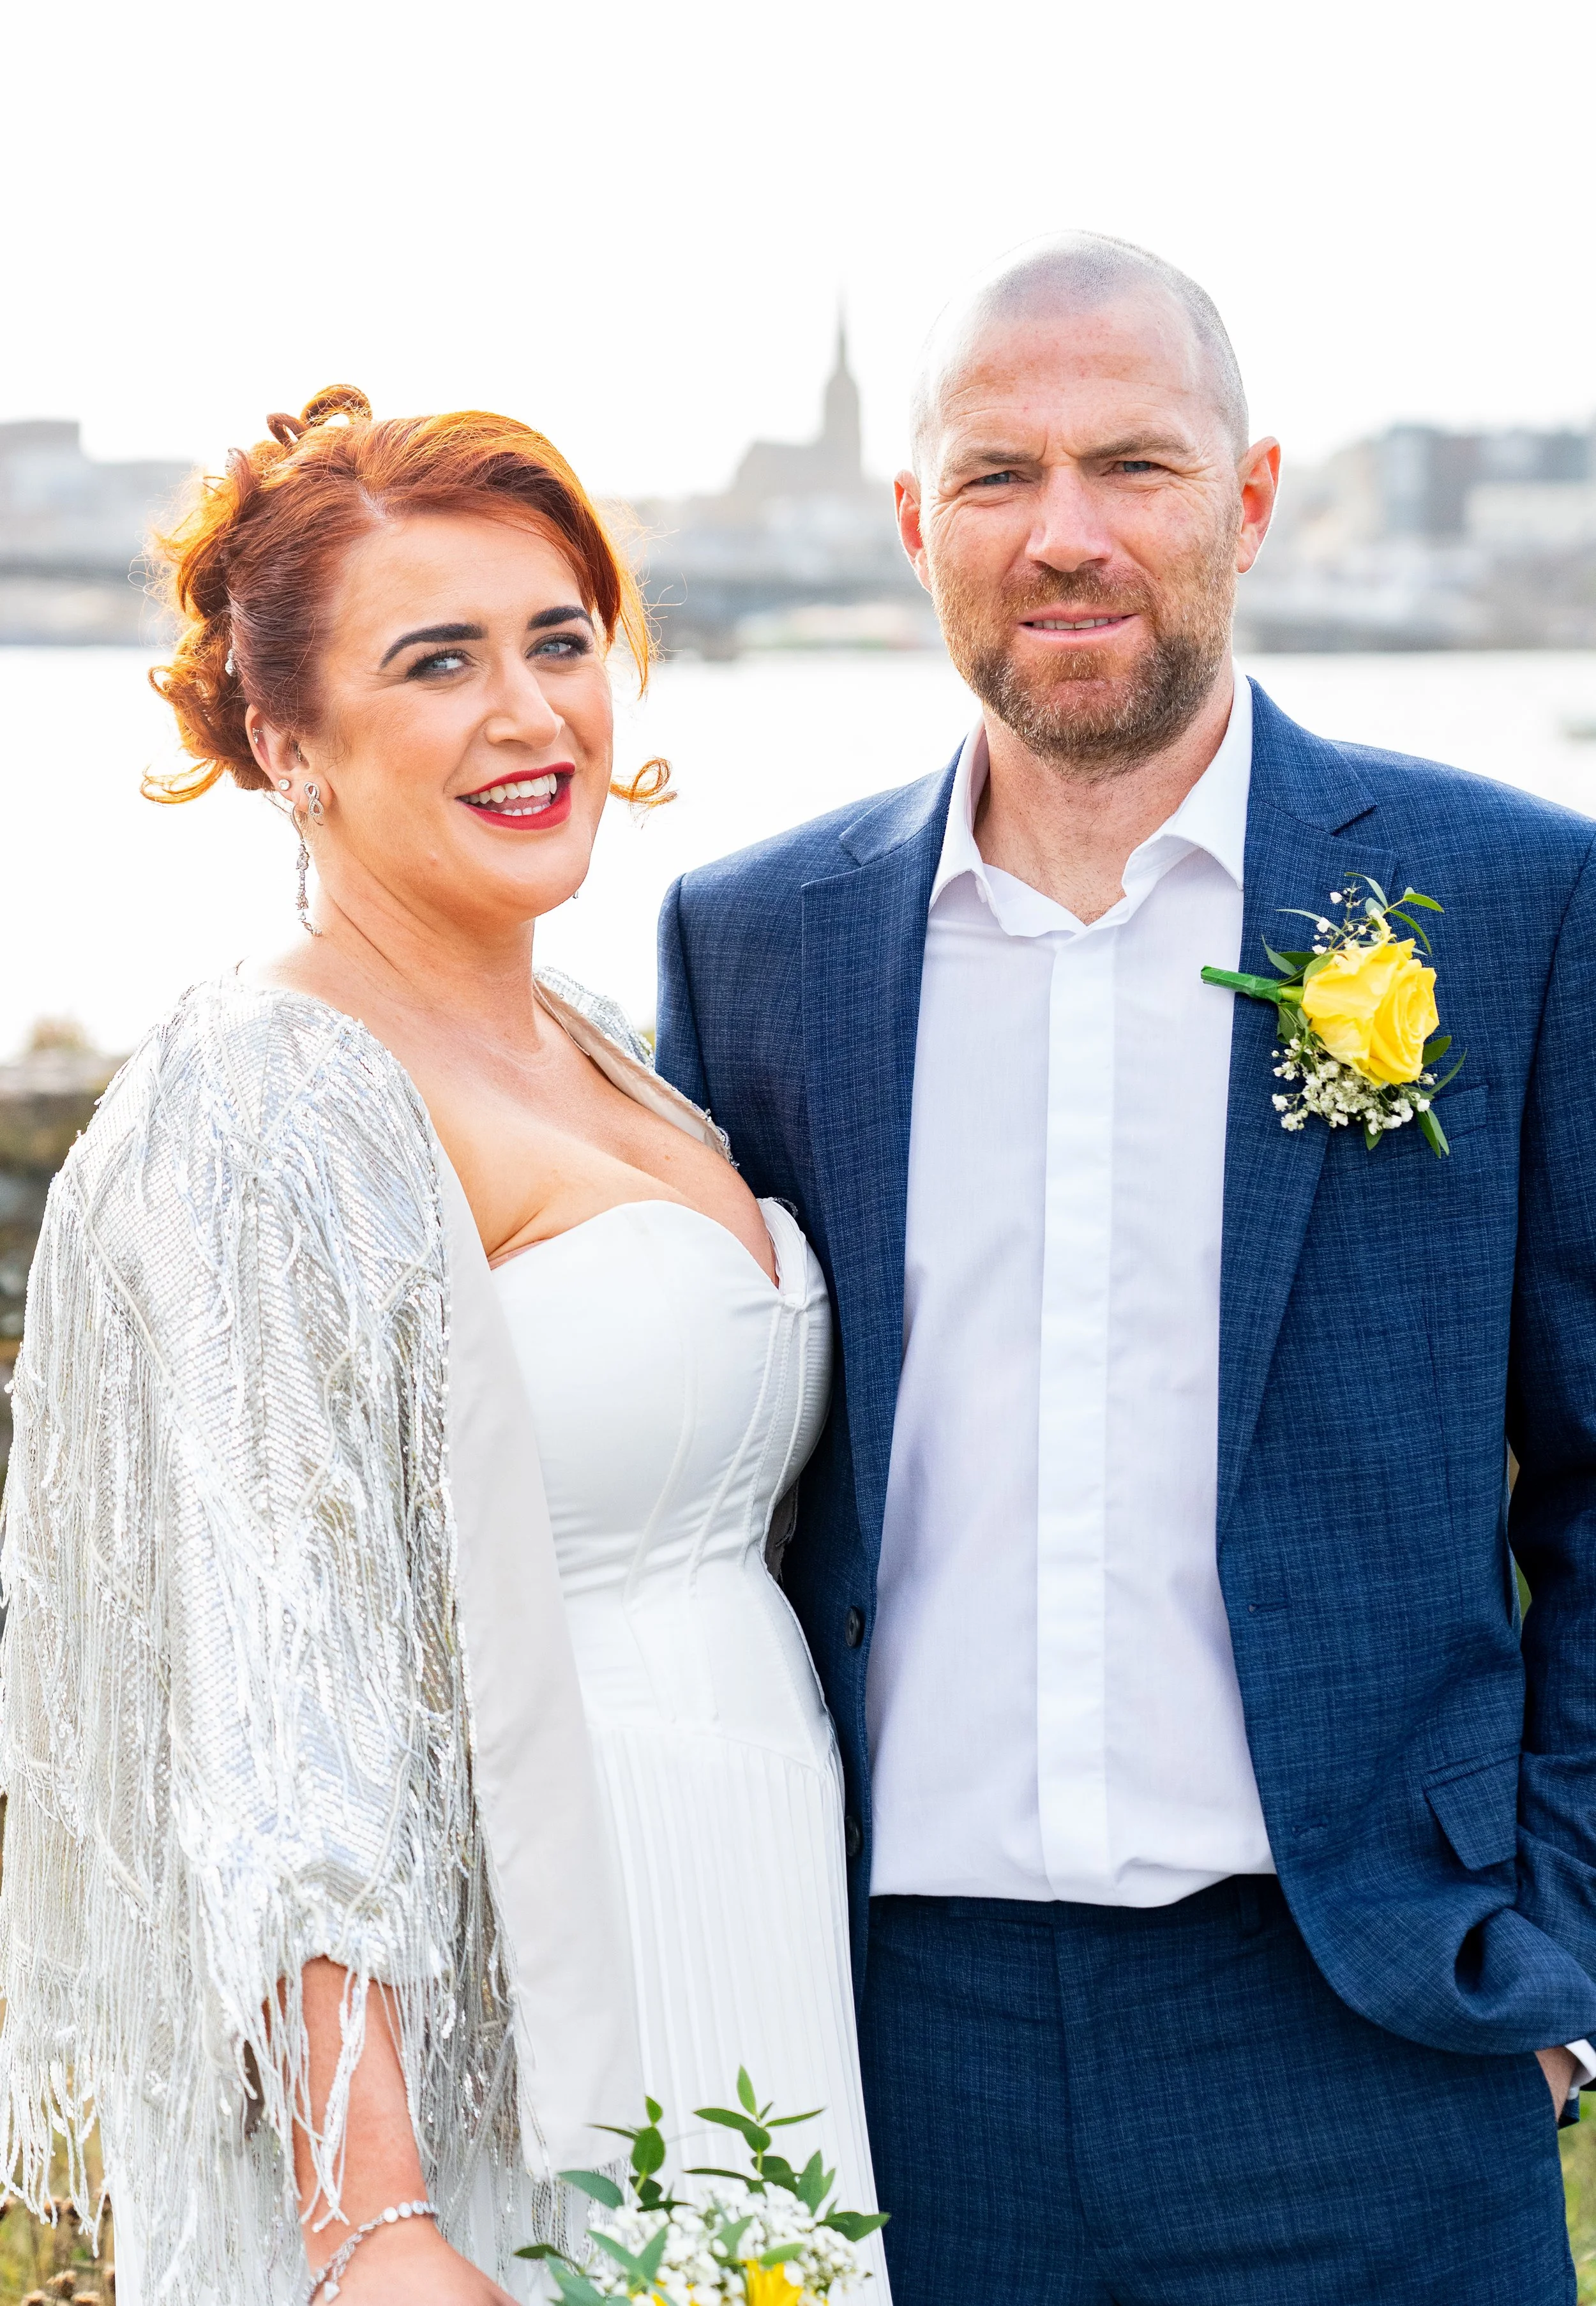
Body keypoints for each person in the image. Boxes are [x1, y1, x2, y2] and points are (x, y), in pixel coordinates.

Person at [655, 233, 1596, 2303]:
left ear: (1247, 502)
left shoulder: (1511, 902)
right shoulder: (754, 949)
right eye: (997, 475)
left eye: (1134, 468)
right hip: (887, 2045)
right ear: (914, 523)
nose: (1064, 535)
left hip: (1363, 2020)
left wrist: (1555, 1940)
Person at [0, 390, 884, 2305]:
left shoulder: (591, 1036)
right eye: (438, 661)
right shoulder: (266, 1105)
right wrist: (371, 2214)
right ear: (284, 738)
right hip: (514, 2006)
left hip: (745, 1911)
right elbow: (273, 1688)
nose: (530, 712)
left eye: (559, 639)